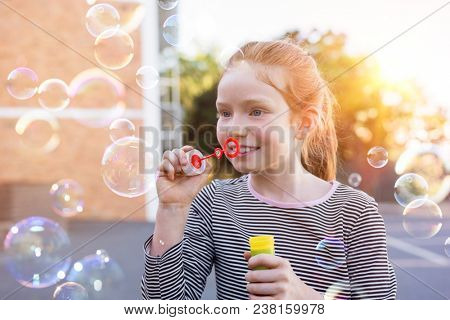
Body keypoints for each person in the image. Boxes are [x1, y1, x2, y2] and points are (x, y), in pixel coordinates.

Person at [141, 39, 397, 300]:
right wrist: (171, 210)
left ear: (303, 123)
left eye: (256, 111)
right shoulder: (214, 203)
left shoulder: (356, 212)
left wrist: (306, 300)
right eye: (225, 113)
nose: (234, 129)